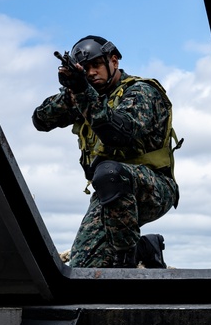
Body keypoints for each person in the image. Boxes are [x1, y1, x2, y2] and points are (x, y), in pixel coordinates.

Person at [32, 36, 180, 268]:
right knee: (83, 268)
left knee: (109, 173)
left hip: (152, 188)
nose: (91, 73)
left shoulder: (142, 92)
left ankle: (128, 258)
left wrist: (83, 92)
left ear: (114, 62)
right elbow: (41, 120)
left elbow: (117, 134)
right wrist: (72, 90)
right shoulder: (86, 94)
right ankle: (144, 248)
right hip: (110, 194)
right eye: (86, 69)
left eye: (96, 65)